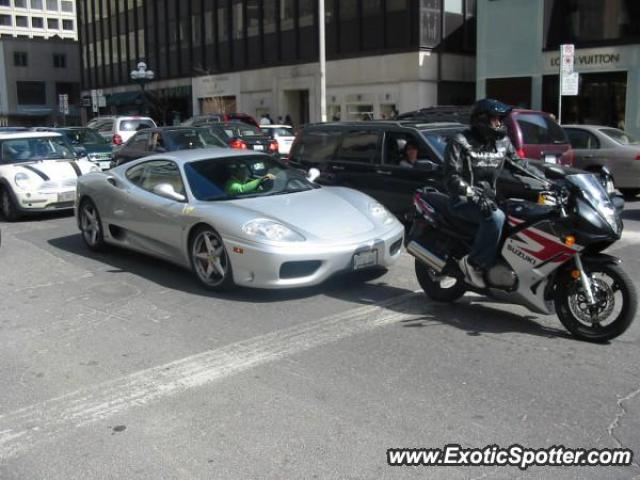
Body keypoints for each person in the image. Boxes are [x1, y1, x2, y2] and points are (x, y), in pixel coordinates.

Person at [443, 98, 541, 288]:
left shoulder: (502, 142)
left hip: (491, 199)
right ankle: (474, 264)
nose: (499, 123)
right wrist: (475, 195)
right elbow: (451, 177)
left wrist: (549, 182)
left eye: (500, 119)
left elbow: (520, 166)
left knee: (523, 215)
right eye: (495, 119)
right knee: (495, 218)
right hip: (463, 200)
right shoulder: (459, 141)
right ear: (482, 120)